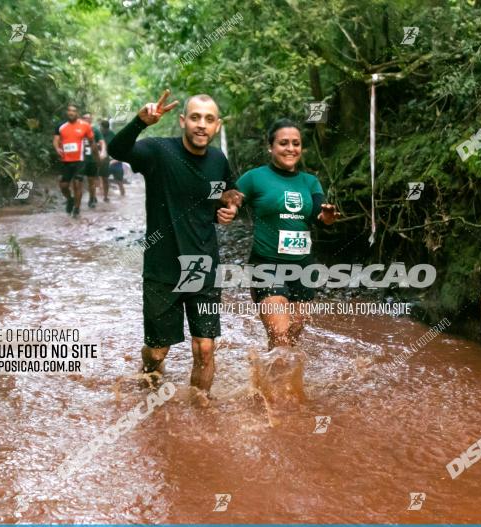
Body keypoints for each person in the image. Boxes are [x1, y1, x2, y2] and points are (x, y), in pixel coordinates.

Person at [107, 89, 242, 401]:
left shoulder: (218, 160)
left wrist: (229, 208)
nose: (201, 125)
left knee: (205, 348)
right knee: (158, 351)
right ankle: (149, 377)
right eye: (195, 117)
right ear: (183, 120)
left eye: (208, 119)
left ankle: (200, 410)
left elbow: (227, 193)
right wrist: (140, 122)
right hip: (162, 268)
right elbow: (117, 150)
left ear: (217, 126)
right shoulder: (158, 152)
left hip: (202, 266)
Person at [235, 119, 339, 350]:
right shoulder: (254, 178)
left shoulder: (309, 181)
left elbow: (319, 215)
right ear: (270, 147)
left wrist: (326, 218)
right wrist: (227, 206)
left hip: (303, 266)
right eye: (283, 143)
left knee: (291, 339)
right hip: (267, 264)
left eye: (296, 143)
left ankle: (273, 382)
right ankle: (271, 386)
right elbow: (229, 203)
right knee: (280, 336)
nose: (290, 148)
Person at [53, 103, 95, 217]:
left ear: (77, 113)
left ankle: (76, 209)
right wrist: (57, 149)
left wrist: (95, 154)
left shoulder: (85, 125)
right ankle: (70, 199)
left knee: (77, 184)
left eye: (74, 111)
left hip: (80, 160)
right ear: (67, 112)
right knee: (63, 186)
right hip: (66, 161)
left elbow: (92, 141)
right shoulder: (61, 126)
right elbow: (56, 140)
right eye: (69, 110)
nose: (71, 112)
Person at [81, 113, 106, 208]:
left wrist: (103, 152)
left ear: (91, 120)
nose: (86, 120)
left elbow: (102, 142)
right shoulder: (77, 129)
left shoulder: (95, 130)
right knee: (77, 180)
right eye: (84, 118)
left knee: (91, 180)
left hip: (92, 159)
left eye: (88, 118)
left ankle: (91, 198)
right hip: (79, 159)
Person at [98, 120, 125, 198]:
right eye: (102, 128)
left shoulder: (113, 136)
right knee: (102, 180)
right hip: (104, 162)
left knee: (120, 183)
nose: (102, 129)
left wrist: (114, 161)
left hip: (116, 165)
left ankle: (123, 197)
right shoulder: (99, 135)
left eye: (103, 128)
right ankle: (104, 197)